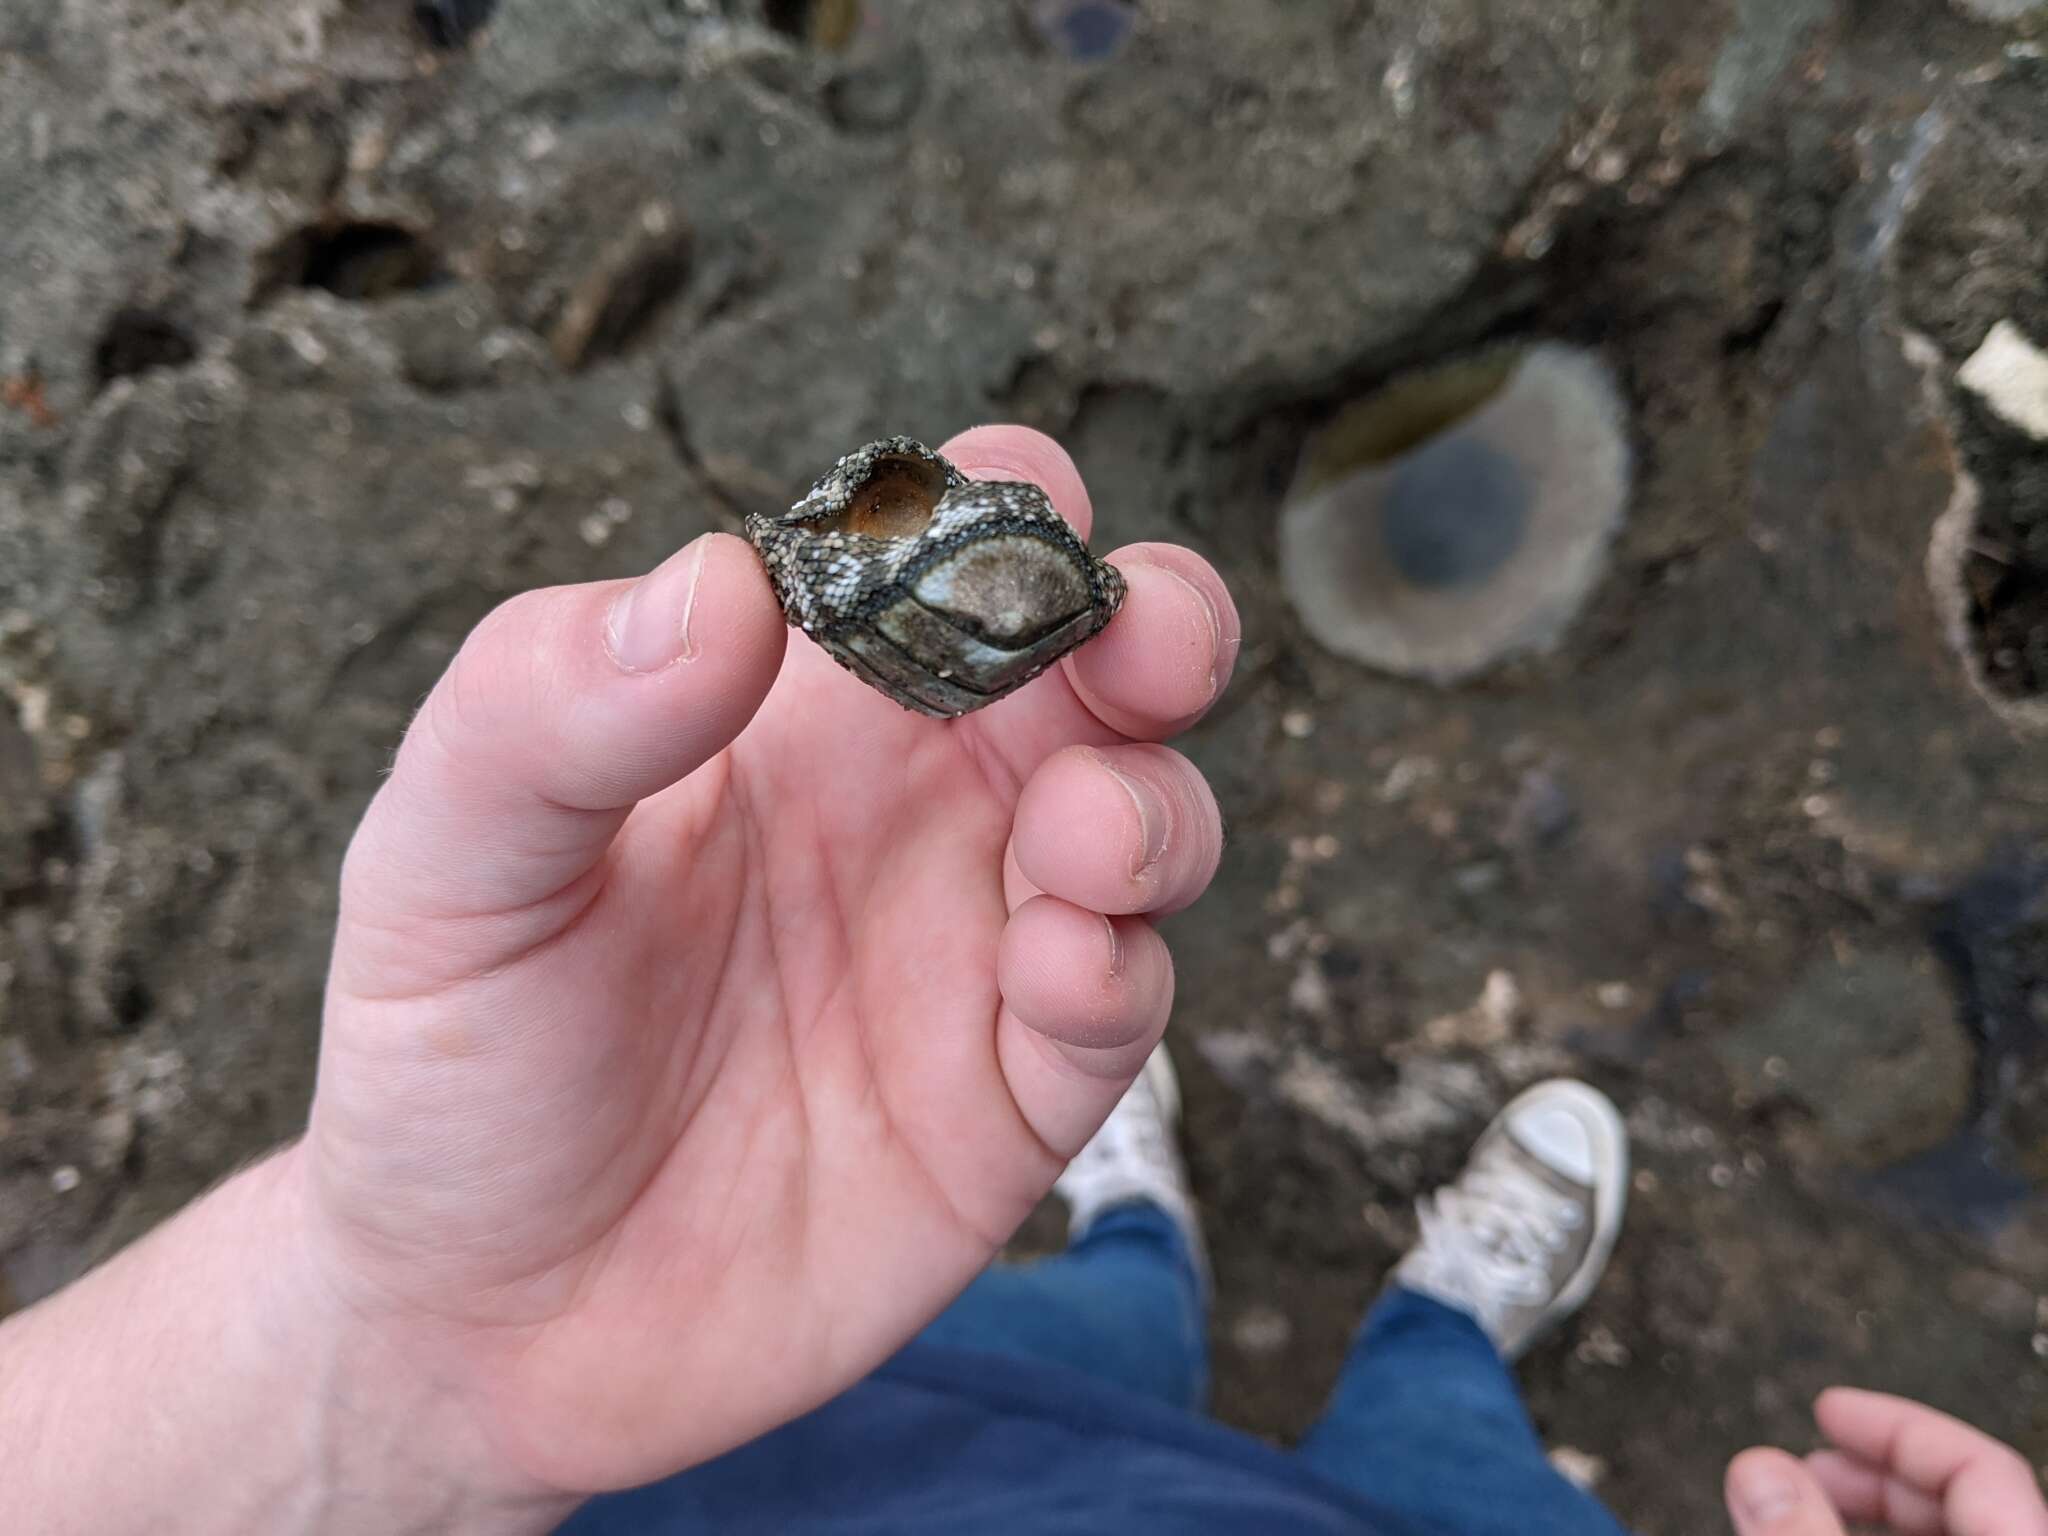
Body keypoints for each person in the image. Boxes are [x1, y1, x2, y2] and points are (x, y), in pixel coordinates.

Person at [0, 426, 2040, 1536]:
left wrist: (398, 1352)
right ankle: (1422, 1340)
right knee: (1442, 1475)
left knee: (1086, 1329)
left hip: (813, 1468)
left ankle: (1151, 1239)